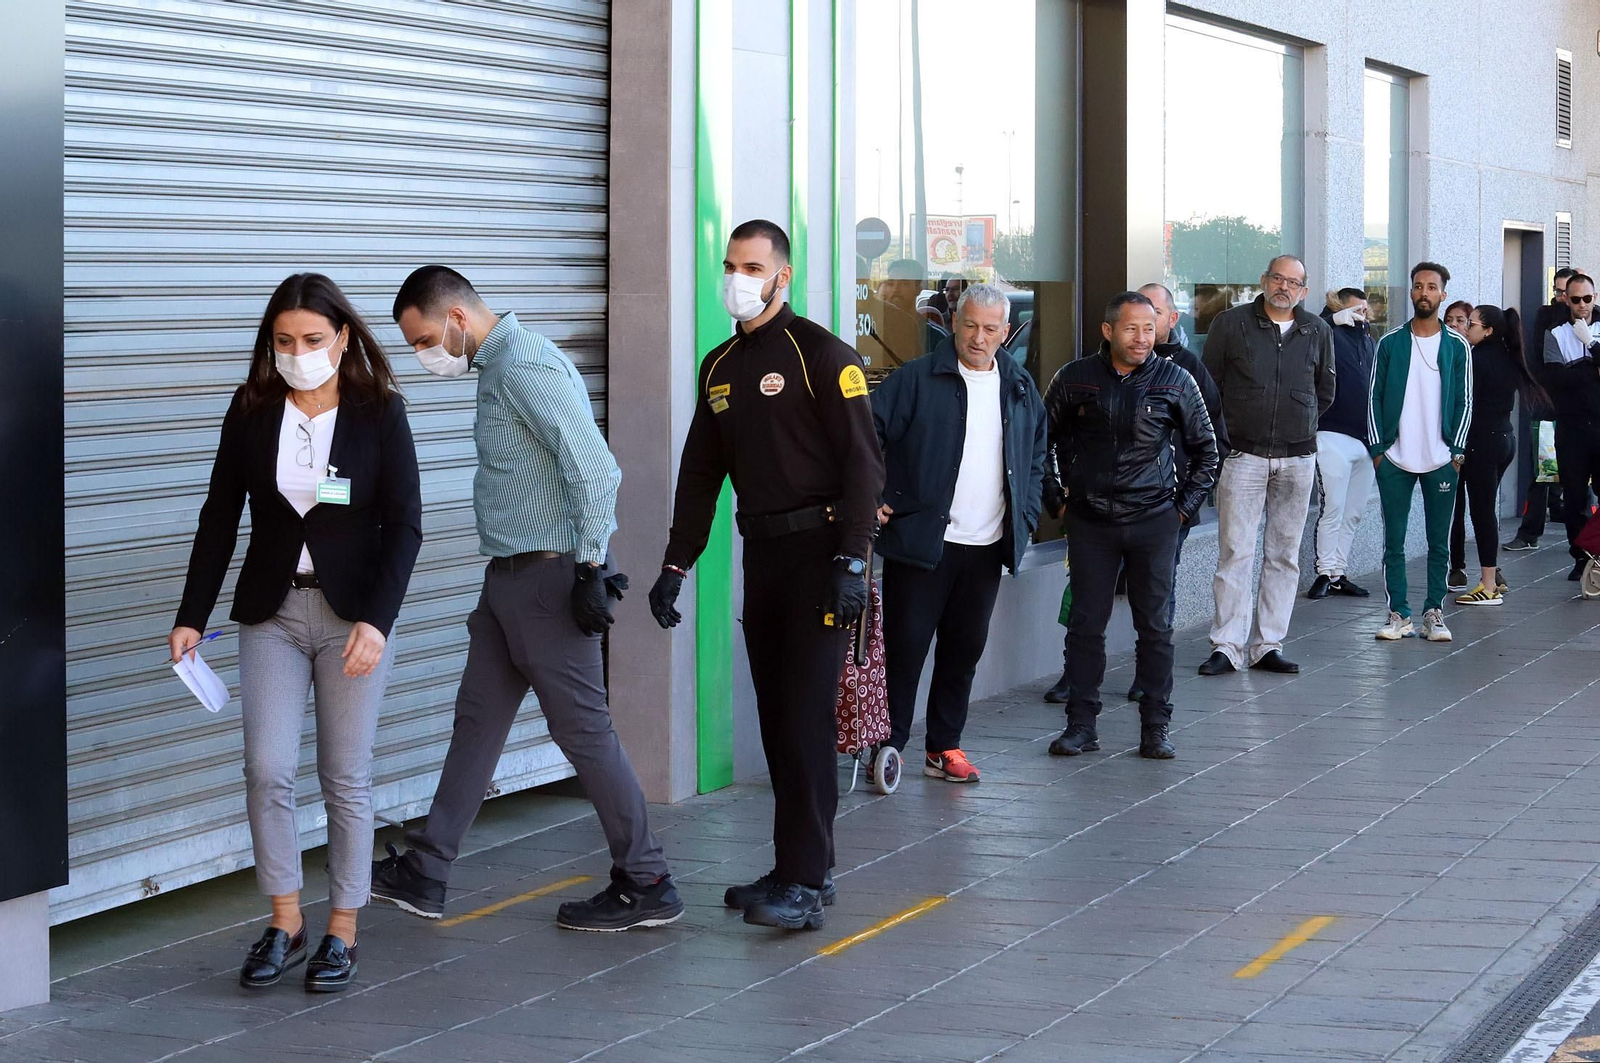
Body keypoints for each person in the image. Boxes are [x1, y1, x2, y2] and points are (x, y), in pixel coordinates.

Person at [370, 266, 681, 932]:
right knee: (477, 722)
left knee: (584, 733)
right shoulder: (498, 367)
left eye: (423, 339)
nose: (423, 355)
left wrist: (592, 568)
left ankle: (646, 877)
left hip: (548, 579)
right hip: (508, 580)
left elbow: (596, 468)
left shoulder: (523, 367)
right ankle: (428, 868)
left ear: (457, 319)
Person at [170, 273, 423, 992]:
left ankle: (343, 925)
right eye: (284, 341)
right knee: (267, 768)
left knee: (345, 776)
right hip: (272, 612)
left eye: (313, 339)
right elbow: (220, 515)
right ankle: (287, 917)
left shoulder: (380, 412)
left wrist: (379, 619)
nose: (298, 353)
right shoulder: (252, 410)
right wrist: (192, 612)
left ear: (343, 337)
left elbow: (405, 523)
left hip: (353, 616)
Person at [648, 220, 883, 931]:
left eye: (752, 265)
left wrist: (853, 559)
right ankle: (794, 866)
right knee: (779, 719)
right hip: (765, 558)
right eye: (730, 264)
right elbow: (700, 472)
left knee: (808, 719)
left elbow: (865, 464)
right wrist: (675, 561)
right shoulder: (718, 365)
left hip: (821, 557)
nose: (737, 278)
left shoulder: (821, 354)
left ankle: (808, 881)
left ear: (783, 275)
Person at [870, 284, 1047, 784]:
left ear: (1005, 332)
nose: (978, 336)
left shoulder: (1018, 385)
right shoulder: (917, 378)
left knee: (963, 651)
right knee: (905, 650)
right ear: (953, 323)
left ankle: (944, 746)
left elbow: (1035, 456)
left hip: (986, 546)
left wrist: (1026, 518)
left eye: (991, 328)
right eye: (970, 324)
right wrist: (882, 498)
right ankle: (890, 745)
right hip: (921, 543)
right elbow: (868, 434)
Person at [1043, 292, 1218, 760]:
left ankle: (1156, 728)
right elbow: (1040, 441)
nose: (1142, 338)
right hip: (1089, 522)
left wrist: (1181, 511)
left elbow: (1207, 452)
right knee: (1084, 627)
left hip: (1155, 520)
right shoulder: (1074, 378)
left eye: (1149, 328)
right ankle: (1080, 725)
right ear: (1108, 330)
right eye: (1131, 329)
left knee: (1156, 628)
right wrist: (1057, 500)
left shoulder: (1176, 379)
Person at [1200, 255, 1335, 676]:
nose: (1284, 287)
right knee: (1235, 552)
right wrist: (1226, 441)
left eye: (1294, 282)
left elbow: (1325, 391)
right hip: (1243, 455)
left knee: (1284, 555)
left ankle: (1267, 645)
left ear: (1304, 291)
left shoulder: (1317, 330)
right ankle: (1226, 646)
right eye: (1278, 278)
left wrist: (1302, 424)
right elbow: (1210, 386)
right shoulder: (1231, 323)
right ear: (1264, 280)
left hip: (1298, 457)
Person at [1370, 262, 1473, 642]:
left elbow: (1465, 401)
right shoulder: (1390, 343)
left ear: (1442, 294)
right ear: (1411, 292)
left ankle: (1434, 612)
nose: (1424, 293)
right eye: (1418, 286)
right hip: (1394, 458)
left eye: (1432, 287)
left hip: (1441, 458)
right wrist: (1378, 450)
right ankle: (1399, 614)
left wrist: (1457, 451)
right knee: (1393, 541)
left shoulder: (1457, 344)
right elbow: (1374, 397)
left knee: (1438, 541)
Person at [1454, 305, 1545, 604]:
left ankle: (1489, 585)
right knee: (1486, 510)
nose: (1466, 328)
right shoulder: (1509, 357)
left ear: (1489, 330)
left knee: (1481, 513)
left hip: (1481, 443)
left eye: (1471, 323)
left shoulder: (1475, 359)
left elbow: (1466, 403)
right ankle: (1494, 576)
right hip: (1504, 440)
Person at [1308, 287, 1378, 600]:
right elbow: (1312, 330)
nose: (1362, 315)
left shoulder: (1368, 340)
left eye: (1364, 310)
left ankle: (1338, 572)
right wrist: (1333, 319)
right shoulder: (1328, 333)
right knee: (1332, 507)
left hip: (1364, 439)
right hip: (1331, 434)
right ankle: (1324, 571)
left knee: (1353, 511)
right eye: (1355, 310)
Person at [1505, 269, 1582, 551]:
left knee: (1581, 475)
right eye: (1559, 292)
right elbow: (1541, 355)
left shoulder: (1590, 316)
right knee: (1542, 469)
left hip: (1582, 411)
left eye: (1569, 294)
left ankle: (1583, 542)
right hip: (1549, 404)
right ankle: (1529, 532)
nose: (1563, 298)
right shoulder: (1547, 316)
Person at [1543, 272, 1600, 579]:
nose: (1582, 305)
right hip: (1572, 426)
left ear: (1595, 297)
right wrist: (1592, 368)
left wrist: (1590, 346)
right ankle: (1581, 557)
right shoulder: (1555, 334)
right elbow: (1555, 381)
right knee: (1575, 497)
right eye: (1575, 299)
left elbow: (1568, 377)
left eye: (1587, 299)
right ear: (1565, 299)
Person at [858, 258, 947, 383]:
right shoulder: (873, 328)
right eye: (890, 283)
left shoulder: (935, 337)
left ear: (918, 289)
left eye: (904, 284)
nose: (895, 290)